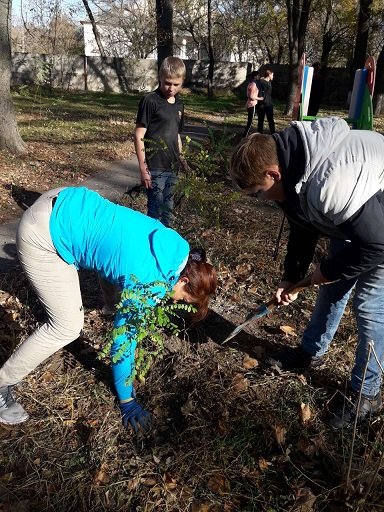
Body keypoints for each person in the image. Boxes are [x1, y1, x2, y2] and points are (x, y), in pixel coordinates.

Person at [0, 186, 217, 429]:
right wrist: (127, 400)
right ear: (184, 281)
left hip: (65, 199)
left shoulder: (172, 246)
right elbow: (123, 343)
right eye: (183, 299)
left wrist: (115, 306)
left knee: (114, 270)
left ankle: (111, 307)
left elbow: (117, 261)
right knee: (66, 326)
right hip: (42, 235)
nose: (176, 302)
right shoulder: (151, 281)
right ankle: (2, 383)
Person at [229, 116, 384, 429]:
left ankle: (366, 395)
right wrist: (293, 275)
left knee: (369, 306)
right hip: (356, 216)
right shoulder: (292, 169)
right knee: (332, 290)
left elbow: (376, 244)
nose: (261, 199)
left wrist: (323, 271)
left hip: (379, 224)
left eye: (259, 192)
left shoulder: (331, 183)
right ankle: (310, 351)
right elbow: (303, 223)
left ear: (272, 174)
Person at [134, 56, 188, 227]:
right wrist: (143, 168)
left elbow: (176, 135)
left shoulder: (179, 105)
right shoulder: (150, 101)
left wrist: (182, 159)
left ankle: (166, 247)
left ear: (182, 82)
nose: (171, 88)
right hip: (155, 167)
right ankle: (150, 247)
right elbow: (139, 134)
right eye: (167, 83)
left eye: (176, 84)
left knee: (169, 211)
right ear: (160, 77)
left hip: (172, 166)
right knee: (155, 211)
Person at [242, 71, 264, 137]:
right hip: (252, 104)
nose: (259, 77)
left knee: (250, 120)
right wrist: (260, 98)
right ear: (255, 76)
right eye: (258, 76)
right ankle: (245, 135)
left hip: (250, 104)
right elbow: (252, 96)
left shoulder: (250, 83)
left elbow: (248, 95)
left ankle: (246, 134)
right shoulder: (254, 84)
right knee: (250, 121)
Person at [257, 69, 275, 134]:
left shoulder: (269, 82)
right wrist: (261, 99)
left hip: (269, 104)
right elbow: (259, 91)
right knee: (261, 120)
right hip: (262, 105)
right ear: (269, 75)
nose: (273, 76)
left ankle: (273, 134)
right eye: (272, 75)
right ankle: (259, 134)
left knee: (271, 120)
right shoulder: (261, 82)